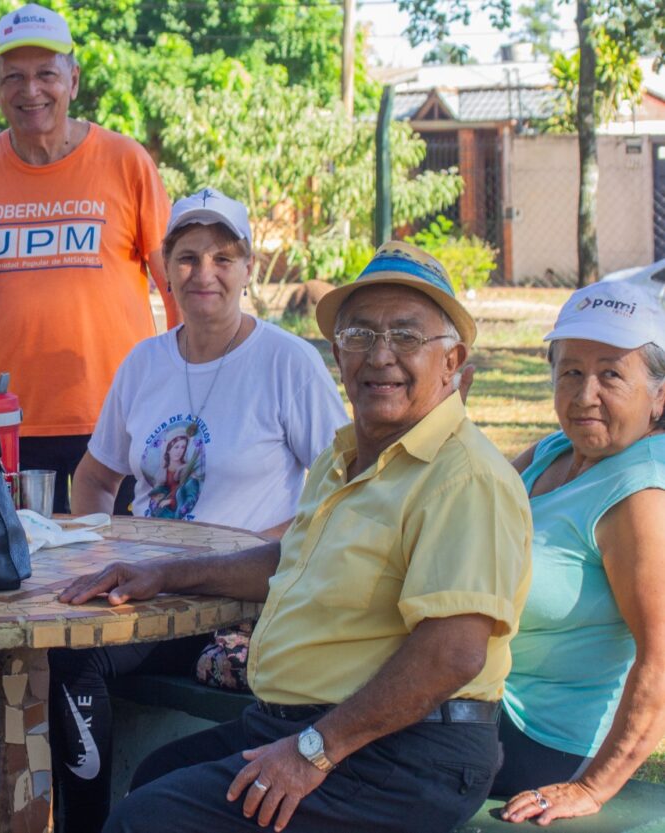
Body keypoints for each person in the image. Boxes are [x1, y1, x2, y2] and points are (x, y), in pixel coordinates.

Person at [59, 241, 533, 833]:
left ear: (452, 362)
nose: (380, 356)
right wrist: (166, 574)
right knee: (157, 775)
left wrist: (315, 750)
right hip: (303, 724)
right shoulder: (348, 457)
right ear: (338, 355)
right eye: (361, 336)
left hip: (403, 751)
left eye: (407, 337)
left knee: (147, 822)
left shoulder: (464, 476)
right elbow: (293, 558)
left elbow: (452, 652)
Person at [49, 189, 347, 833]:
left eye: (221, 256)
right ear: (165, 270)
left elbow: (342, 496)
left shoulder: (286, 362)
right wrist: (100, 549)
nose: (203, 273)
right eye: (187, 258)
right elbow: (96, 477)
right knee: (68, 651)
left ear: (247, 269)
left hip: (238, 602)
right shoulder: (144, 362)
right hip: (151, 598)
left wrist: (241, 552)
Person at [0, 3, 180, 514]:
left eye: (46, 73)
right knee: (14, 578)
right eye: (14, 76)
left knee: (119, 572)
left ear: (74, 79)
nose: (31, 90)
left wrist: (180, 388)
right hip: (5, 421)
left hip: (115, 417)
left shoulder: (125, 161)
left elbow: (174, 282)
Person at [493, 280, 665, 825]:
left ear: (659, 394)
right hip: (483, 705)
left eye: (611, 373)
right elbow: (465, 515)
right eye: (570, 371)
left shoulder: (639, 494)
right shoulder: (555, 450)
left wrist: (591, 788)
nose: (584, 393)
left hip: (541, 745)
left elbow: (661, 660)